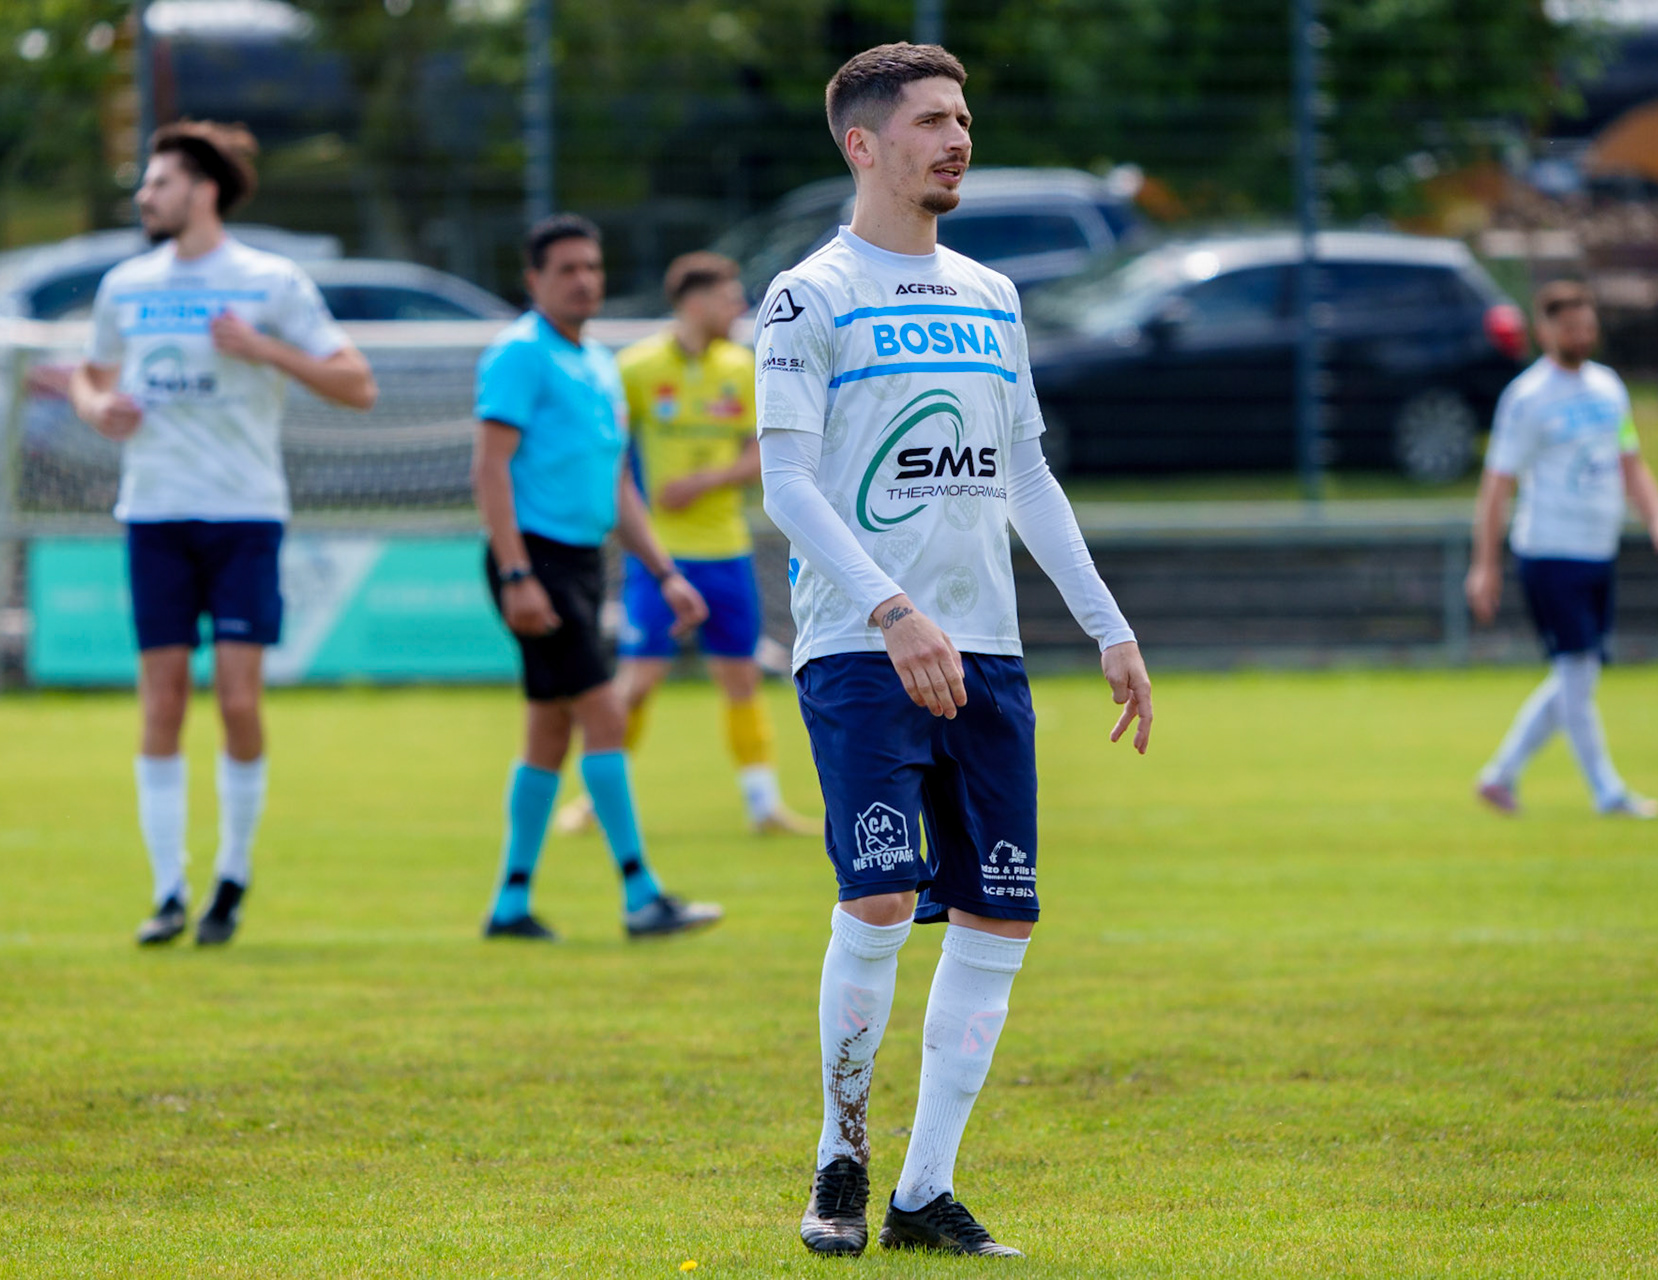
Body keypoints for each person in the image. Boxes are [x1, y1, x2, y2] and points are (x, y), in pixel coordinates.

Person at [757, 44, 1155, 1258]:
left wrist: (1107, 622)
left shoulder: (992, 294)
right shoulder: (807, 295)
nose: (958, 137)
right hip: (861, 645)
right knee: (877, 894)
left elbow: (1026, 470)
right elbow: (786, 482)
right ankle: (842, 1152)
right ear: (862, 144)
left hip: (988, 649)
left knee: (999, 920)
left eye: (965, 117)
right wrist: (890, 610)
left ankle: (926, 1194)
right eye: (932, 119)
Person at [70, 121, 378, 948]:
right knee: (162, 701)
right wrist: (101, 409)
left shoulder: (268, 281)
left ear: (202, 190)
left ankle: (231, 876)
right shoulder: (124, 285)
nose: (145, 195)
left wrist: (264, 349)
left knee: (239, 701)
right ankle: (168, 891)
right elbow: (91, 377)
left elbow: (357, 384)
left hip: (244, 514)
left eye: (159, 182)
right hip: (154, 514)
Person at [473, 213, 724, 942]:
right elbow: (489, 468)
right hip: (535, 560)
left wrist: (665, 571)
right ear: (534, 282)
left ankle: (511, 905)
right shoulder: (520, 354)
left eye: (592, 266)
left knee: (549, 733)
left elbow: (616, 484)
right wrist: (517, 573)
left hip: (578, 561)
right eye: (567, 270)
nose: (584, 279)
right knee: (604, 716)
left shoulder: (601, 362)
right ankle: (642, 895)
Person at [553, 251, 820, 839]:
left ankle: (762, 805)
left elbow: (762, 452)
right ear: (695, 302)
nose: (739, 310)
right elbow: (608, 445)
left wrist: (707, 480)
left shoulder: (741, 366)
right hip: (660, 556)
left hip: (727, 550)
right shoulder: (639, 367)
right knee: (640, 681)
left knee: (740, 680)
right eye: (729, 299)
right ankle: (598, 802)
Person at [1466, 279, 1658, 817]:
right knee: (1578, 671)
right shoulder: (1527, 398)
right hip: (1549, 551)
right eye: (1569, 327)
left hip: (1598, 550)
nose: (1581, 336)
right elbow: (1497, 485)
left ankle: (1501, 775)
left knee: (1575, 676)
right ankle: (1607, 792)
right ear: (1544, 331)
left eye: (1587, 326)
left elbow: (1629, 461)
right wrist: (1485, 565)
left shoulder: (1610, 389)